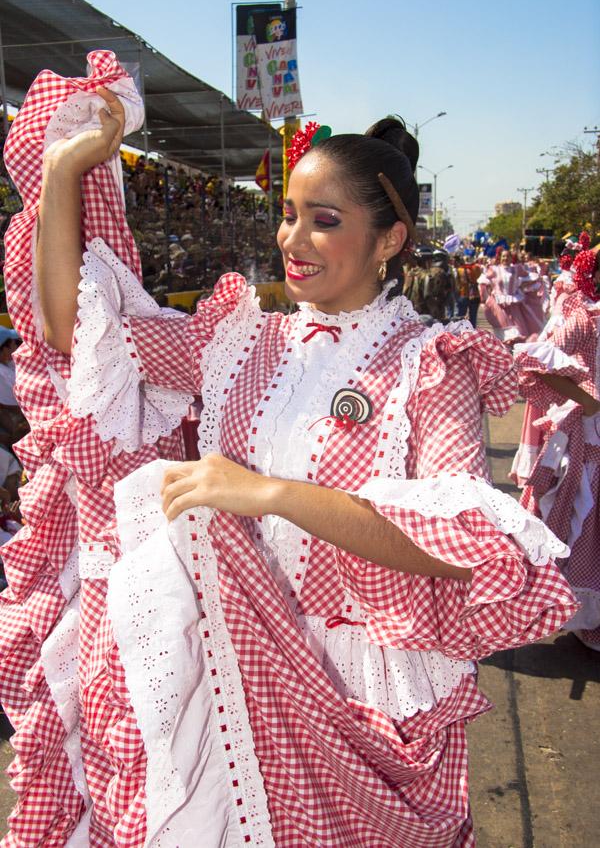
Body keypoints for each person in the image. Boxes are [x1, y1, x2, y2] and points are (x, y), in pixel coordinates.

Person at [1, 52, 576, 847]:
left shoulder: (428, 365)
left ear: (391, 240)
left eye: (324, 219)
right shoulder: (240, 341)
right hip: (222, 674)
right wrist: (65, 170)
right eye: (289, 213)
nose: (292, 239)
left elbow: (466, 550)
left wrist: (262, 491)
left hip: (349, 694)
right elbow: (74, 332)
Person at [511, 244, 600, 651]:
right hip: (591, 439)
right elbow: (532, 363)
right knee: (583, 521)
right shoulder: (583, 316)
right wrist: (587, 401)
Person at [478, 249, 543, 342]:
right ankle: (505, 351)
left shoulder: (516, 269)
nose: (505, 258)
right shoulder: (494, 269)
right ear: (500, 258)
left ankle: (515, 352)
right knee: (503, 329)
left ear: (511, 258)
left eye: (508, 256)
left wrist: (521, 286)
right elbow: (483, 281)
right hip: (499, 304)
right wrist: (485, 296)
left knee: (519, 331)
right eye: (503, 256)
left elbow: (531, 277)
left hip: (514, 303)